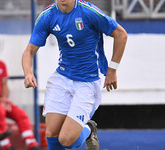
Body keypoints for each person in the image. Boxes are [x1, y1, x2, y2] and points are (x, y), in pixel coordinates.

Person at [22, 0, 127, 150]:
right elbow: (28, 51)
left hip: (88, 81)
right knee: (51, 134)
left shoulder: (88, 12)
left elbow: (121, 34)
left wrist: (112, 70)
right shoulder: (47, 16)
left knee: (66, 140)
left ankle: (89, 129)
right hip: (62, 77)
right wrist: (27, 73)